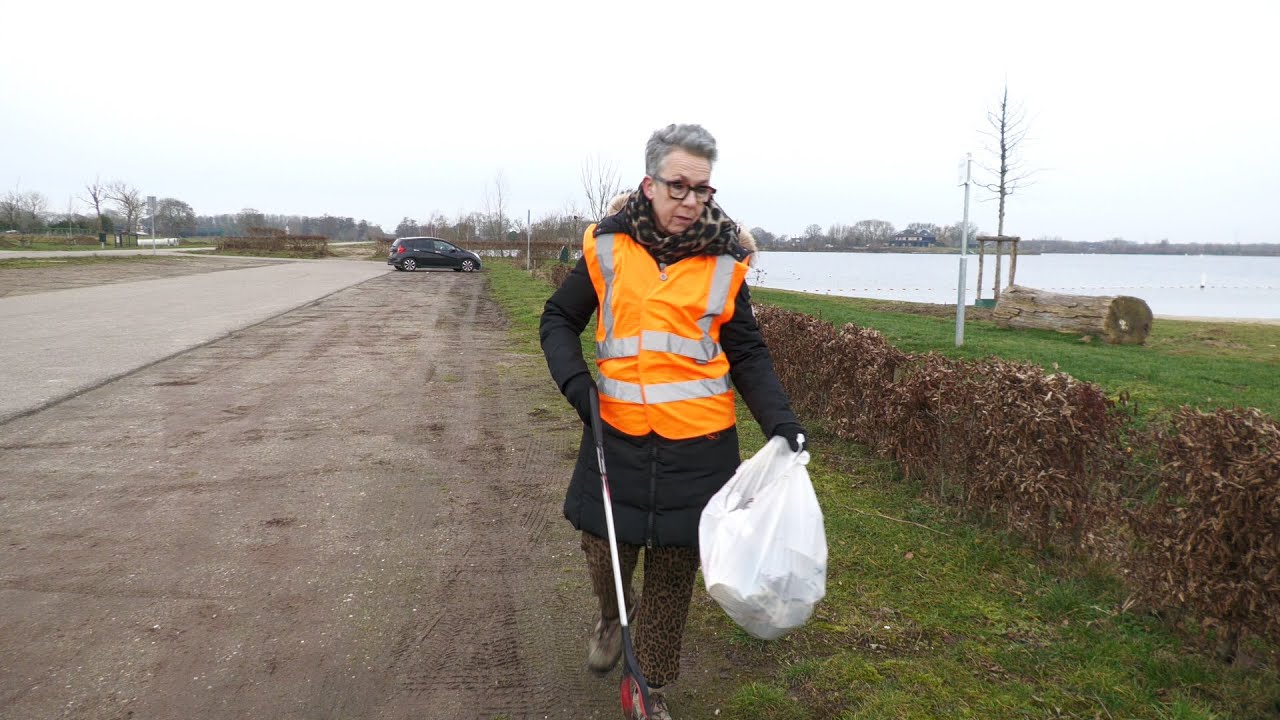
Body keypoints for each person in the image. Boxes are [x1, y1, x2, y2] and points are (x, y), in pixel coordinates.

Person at [540, 123, 805, 720]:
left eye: (702, 190)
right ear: (649, 183)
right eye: (678, 186)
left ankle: (648, 686)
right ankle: (612, 617)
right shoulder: (606, 247)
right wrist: (577, 385)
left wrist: (781, 423)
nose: (691, 201)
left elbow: (749, 352)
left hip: (699, 446)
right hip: (616, 435)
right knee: (603, 550)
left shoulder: (726, 261)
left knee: (672, 574)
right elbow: (559, 319)